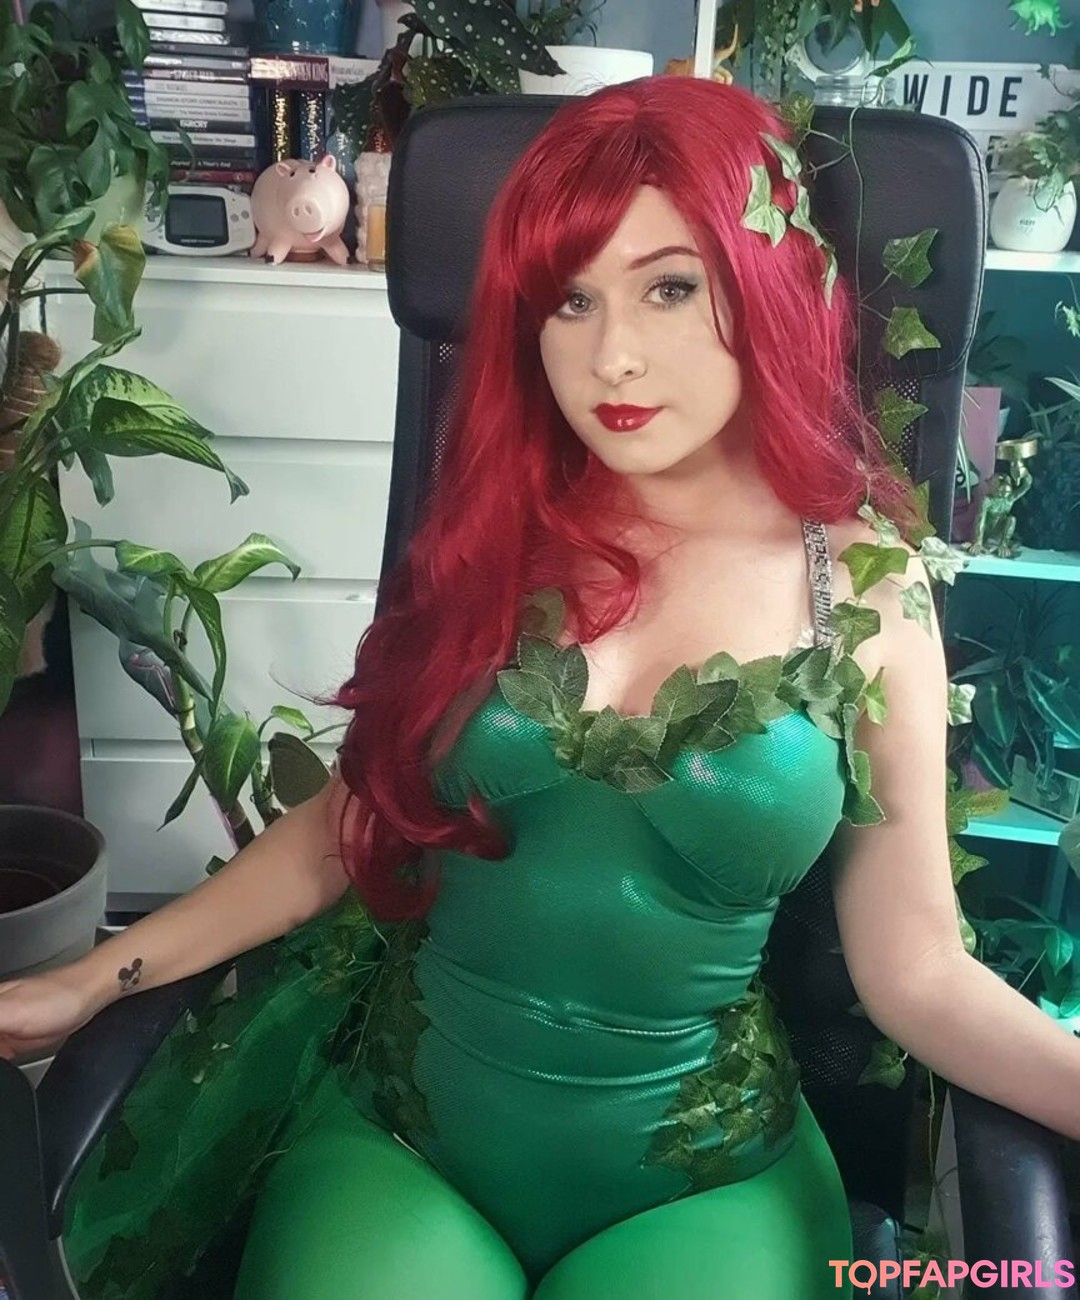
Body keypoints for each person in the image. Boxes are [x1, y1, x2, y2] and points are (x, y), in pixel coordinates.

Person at [3, 75, 1079, 1300]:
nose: (611, 354)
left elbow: (917, 969)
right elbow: (347, 829)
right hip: (410, 1142)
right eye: (571, 299)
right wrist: (97, 972)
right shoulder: (494, 534)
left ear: (767, 286)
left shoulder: (868, 591)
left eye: (670, 287)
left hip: (701, 1182)